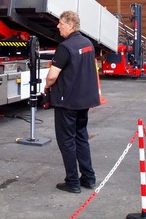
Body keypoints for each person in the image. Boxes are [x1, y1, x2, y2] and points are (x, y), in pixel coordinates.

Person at [45, 10, 100, 194]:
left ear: (70, 24)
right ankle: (88, 178)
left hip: (67, 102)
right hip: (83, 100)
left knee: (66, 141)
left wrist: (46, 86)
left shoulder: (65, 47)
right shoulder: (88, 44)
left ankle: (72, 182)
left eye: (60, 22)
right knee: (81, 138)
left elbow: (52, 75)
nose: (58, 26)